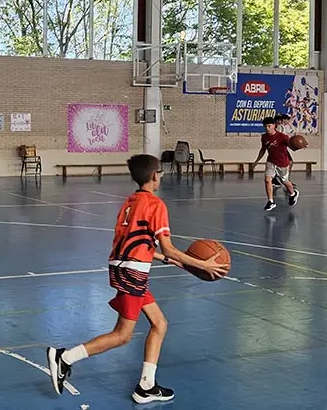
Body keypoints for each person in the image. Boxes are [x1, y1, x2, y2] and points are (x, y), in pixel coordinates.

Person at [45, 154, 229, 404]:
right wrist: (201, 263)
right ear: (155, 176)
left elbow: (136, 242)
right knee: (122, 334)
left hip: (123, 266)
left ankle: (146, 386)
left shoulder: (130, 202)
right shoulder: (155, 204)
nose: (161, 177)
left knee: (159, 323)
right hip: (133, 272)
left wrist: (163, 258)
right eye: (160, 173)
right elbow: (171, 247)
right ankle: (64, 358)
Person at [252, 117, 299, 211]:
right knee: (267, 180)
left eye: (269, 126)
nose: (267, 128)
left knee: (284, 181)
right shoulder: (264, 137)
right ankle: (271, 201)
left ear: (274, 126)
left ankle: (293, 193)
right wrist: (256, 161)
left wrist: (299, 145)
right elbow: (263, 149)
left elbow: (292, 146)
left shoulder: (282, 136)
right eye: (265, 126)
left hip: (282, 162)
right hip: (271, 161)